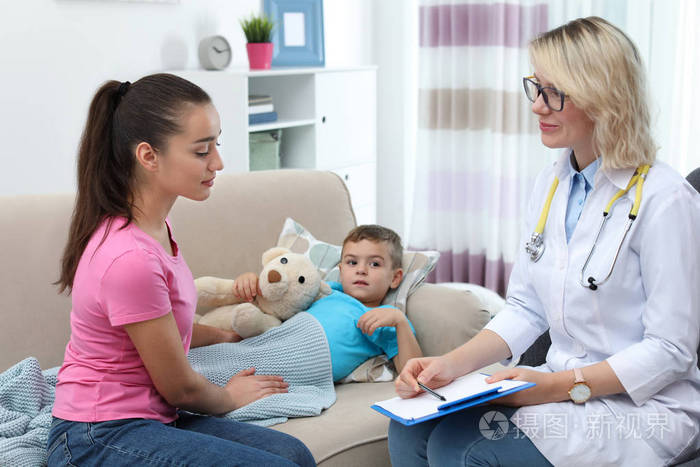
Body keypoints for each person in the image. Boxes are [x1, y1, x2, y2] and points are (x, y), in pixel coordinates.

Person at [389, 16, 700, 467]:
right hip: (561, 388)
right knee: (410, 428)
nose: (537, 106)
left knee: (463, 446)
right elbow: (526, 308)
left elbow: (671, 351)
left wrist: (558, 386)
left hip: (645, 407)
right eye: (535, 87)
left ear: (603, 97)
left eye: (555, 92)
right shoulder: (552, 184)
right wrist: (450, 365)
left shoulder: (666, 200)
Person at [48, 73, 315, 466]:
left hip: (151, 418)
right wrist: (227, 397)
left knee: (294, 454)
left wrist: (230, 335)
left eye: (216, 145)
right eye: (202, 150)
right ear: (148, 156)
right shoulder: (129, 258)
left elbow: (162, 329)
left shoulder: (156, 228)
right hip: (96, 434)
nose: (218, 162)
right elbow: (180, 389)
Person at [234, 225, 423, 382]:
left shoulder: (384, 319)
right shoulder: (323, 291)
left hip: (299, 370)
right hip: (272, 343)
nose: (361, 270)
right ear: (341, 271)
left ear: (395, 278)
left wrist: (400, 322)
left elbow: (414, 373)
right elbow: (277, 295)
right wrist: (251, 281)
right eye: (352, 262)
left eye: (374, 264)